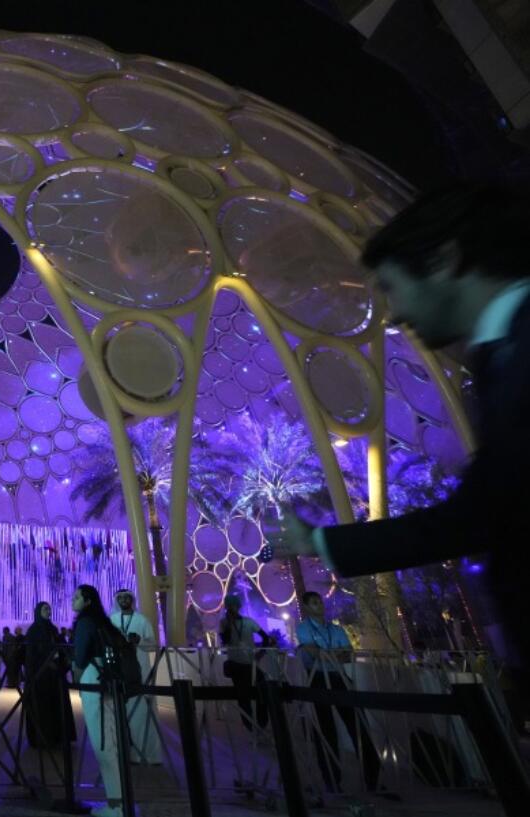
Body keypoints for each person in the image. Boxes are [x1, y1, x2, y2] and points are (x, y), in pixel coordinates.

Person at [270, 184, 530, 706]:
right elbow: (481, 511)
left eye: (392, 287)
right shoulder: (501, 354)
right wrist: (323, 543)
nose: (392, 314)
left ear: (444, 261)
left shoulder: (520, 351)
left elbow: (480, 513)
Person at [295, 592, 382, 793]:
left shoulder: (336, 629)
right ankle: (331, 779)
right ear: (307, 608)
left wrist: (327, 654)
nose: (320, 605)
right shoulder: (304, 628)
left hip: (339, 677)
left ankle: (373, 779)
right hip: (317, 679)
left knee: (358, 724)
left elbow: (348, 654)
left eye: (320, 602)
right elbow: (315, 654)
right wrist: (333, 653)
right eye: (314, 603)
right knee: (326, 731)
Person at [71, 584, 128, 817]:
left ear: (88, 601)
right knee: (112, 740)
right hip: (109, 679)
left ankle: (116, 805)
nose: (73, 601)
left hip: (94, 679)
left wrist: (75, 670)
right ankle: (122, 798)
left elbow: (80, 656)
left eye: (77, 597)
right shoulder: (104, 622)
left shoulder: (85, 623)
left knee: (102, 742)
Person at [110, 589, 160, 764]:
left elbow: (153, 645)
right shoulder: (113, 620)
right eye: (120, 598)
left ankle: (147, 754)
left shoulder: (142, 620)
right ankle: (123, 754)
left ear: (132, 600)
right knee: (119, 716)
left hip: (139, 673)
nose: (124, 600)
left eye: (127, 597)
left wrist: (139, 641)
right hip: (119, 673)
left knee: (142, 714)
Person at [24, 601, 75, 750]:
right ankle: (43, 738)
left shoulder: (52, 629)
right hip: (41, 677)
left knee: (56, 705)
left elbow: (61, 647)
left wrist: (63, 661)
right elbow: (32, 655)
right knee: (43, 706)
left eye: (49, 609)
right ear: (38, 611)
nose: (48, 611)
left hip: (55, 676)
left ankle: (58, 736)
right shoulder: (33, 631)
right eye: (45, 609)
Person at [219, 594, 273, 732]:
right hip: (235, 663)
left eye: (234, 606)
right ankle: (250, 727)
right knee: (243, 697)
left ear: (238, 607)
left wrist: (260, 653)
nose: (232, 609)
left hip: (250, 663)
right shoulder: (223, 623)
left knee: (262, 689)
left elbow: (266, 638)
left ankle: (262, 724)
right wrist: (229, 625)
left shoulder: (249, 622)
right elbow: (224, 641)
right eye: (229, 606)